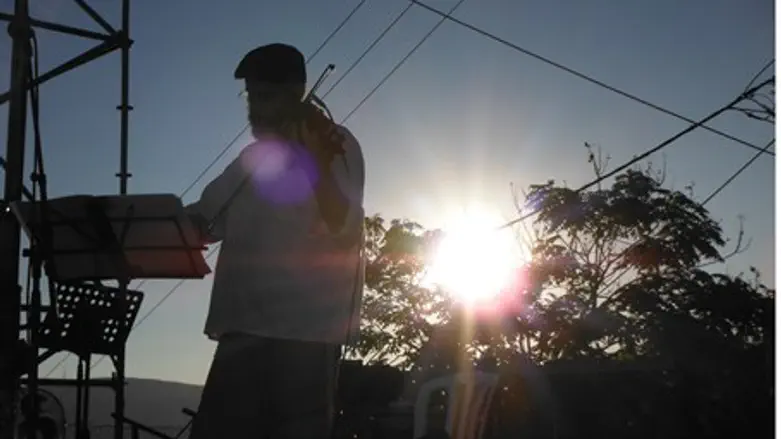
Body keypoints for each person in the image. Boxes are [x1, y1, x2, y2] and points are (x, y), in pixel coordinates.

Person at [186, 43, 366, 439]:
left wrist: (314, 159)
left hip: (306, 337)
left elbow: (343, 225)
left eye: (265, 96)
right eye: (250, 95)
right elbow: (204, 221)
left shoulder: (335, 142)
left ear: (295, 93)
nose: (254, 107)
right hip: (243, 332)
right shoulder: (253, 159)